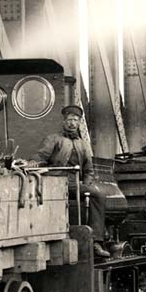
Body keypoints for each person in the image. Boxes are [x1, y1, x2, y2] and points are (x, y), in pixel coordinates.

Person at [34, 104, 110, 258]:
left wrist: (86, 184)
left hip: (75, 185)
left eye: (75, 120)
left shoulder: (83, 145)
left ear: (79, 122)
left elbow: (89, 170)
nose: (72, 123)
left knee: (98, 195)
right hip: (55, 183)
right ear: (64, 121)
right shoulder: (53, 139)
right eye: (69, 119)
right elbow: (40, 158)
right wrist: (32, 164)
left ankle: (96, 241)